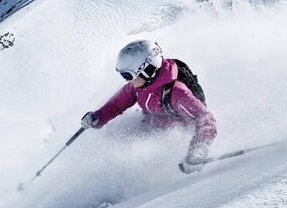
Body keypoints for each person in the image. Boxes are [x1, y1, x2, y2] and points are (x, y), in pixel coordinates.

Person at [81, 40, 217, 173]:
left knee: (133, 159)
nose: (127, 80)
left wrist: (197, 152)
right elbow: (116, 105)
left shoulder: (177, 93)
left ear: (147, 70)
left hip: (172, 139)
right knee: (115, 146)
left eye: (128, 75)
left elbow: (206, 121)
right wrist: (98, 117)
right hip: (150, 127)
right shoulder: (138, 86)